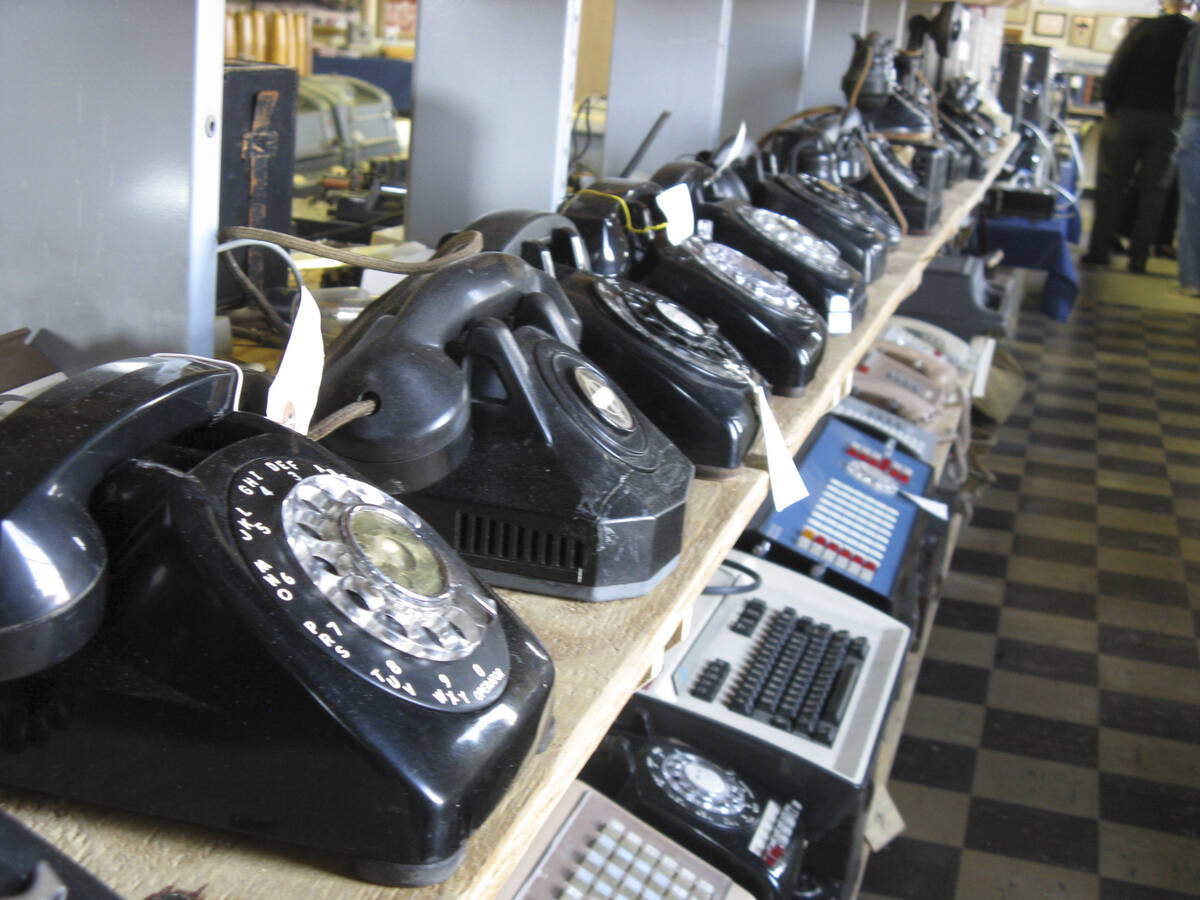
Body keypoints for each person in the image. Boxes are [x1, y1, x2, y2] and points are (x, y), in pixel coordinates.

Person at [1082, 0, 1195, 273]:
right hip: (1170, 120)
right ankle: (1139, 257)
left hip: (1127, 115)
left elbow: (1119, 66)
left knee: (1111, 186)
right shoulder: (1193, 35)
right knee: (1154, 192)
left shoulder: (1145, 29)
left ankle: (1099, 250)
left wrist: (1109, 103)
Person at [1177, 19, 1200, 293]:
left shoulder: (1196, 33)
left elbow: (1181, 77)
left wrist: (1181, 113)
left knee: (1192, 202)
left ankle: (1192, 279)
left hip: (1194, 119)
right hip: (1194, 119)